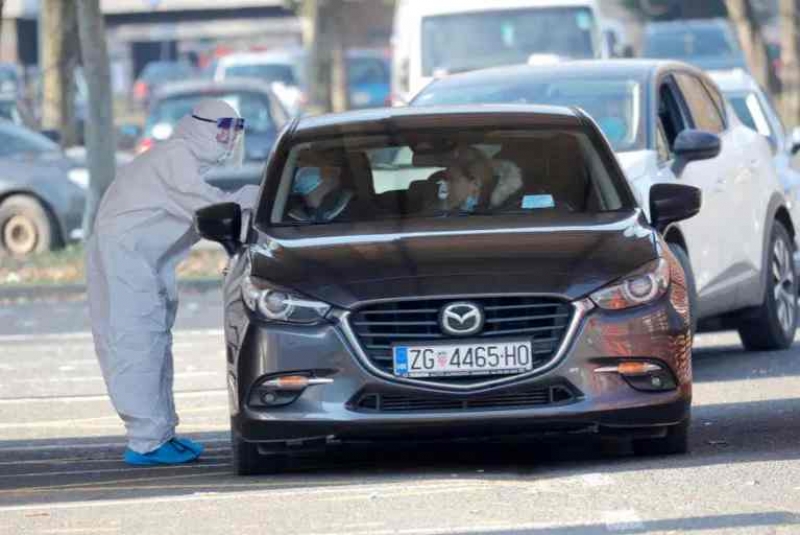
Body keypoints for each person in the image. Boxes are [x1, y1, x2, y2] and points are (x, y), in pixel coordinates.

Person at [86, 99, 259, 466]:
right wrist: (258, 197)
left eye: (234, 130)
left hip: (142, 262)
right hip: (126, 262)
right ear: (200, 125)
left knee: (155, 347)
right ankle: (145, 442)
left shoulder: (178, 159)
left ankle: (161, 434)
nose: (228, 139)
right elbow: (207, 206)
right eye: (222, 128)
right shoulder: (174, 157)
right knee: (137, 348)